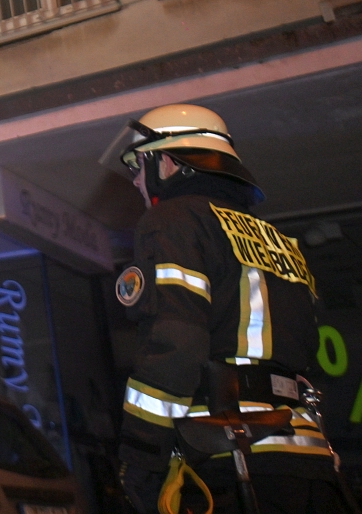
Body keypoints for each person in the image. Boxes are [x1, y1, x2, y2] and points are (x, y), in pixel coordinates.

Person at [103, 104, 349, 514]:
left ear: (164, 162)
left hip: (229, 453)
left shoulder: (174, 221)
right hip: (309, 457)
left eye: (136, 167)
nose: (134, 183)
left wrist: (142, 455)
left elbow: (175, 343)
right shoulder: (275, 238)